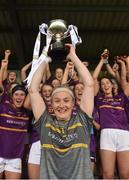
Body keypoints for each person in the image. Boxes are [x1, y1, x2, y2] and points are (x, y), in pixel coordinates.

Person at [28, 44, 94, 179]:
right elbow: (33, 90)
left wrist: (73, 56)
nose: (62, 105)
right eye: (57, 101)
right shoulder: (45, 122)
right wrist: (45, 58)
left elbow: (89, 84)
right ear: (51, 104)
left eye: (66, 100)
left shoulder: (82, 120)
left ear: (73, 103)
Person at [92, 51, 129, 179]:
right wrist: (102, 61)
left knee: (125, 174)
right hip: (107, 133)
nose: (105, 85)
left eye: (107, 82)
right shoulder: (99, 99)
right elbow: (93, 79)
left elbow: (124, 79)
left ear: (112, 85)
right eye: (102, 84)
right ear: (101, 88)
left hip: (124, 133)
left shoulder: (122, 97)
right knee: (108, 174)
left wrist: (126, 63)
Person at [0, 84, 29, 179]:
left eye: (22, 95)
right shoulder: (3, 108)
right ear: (11, 97)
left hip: (15, 158)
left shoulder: (27, 113)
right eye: (16, 94)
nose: (19, 97)